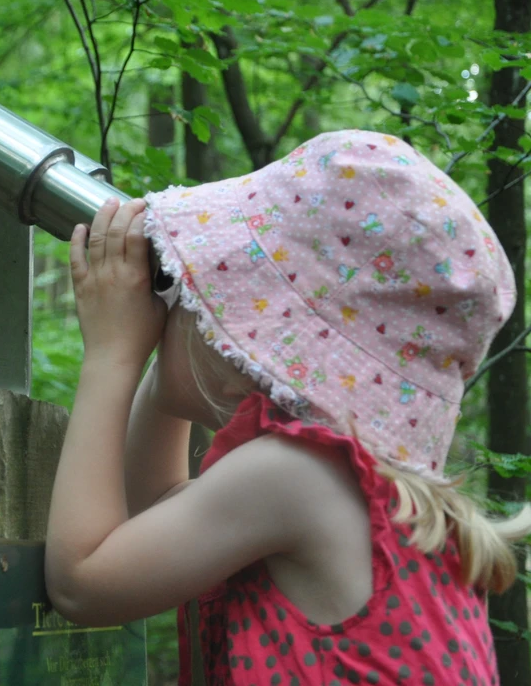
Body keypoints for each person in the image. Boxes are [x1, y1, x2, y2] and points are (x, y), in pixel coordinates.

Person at [44, 129, 531, 686]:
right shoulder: (377, 501)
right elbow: (152, 506)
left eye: (193, 291)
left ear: (255, 347)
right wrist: (161, 347)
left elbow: (82, 583)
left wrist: (112, 353)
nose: (177, 298)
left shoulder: (296, 476)